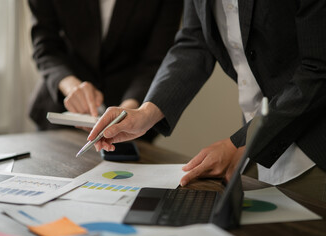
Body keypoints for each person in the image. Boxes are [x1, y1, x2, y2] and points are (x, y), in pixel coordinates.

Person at [89, 0, 326, 202]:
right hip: (254, 145)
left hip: (315, 148)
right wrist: (145, 113)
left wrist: (240, 143)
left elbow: (318, 70)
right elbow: (194, 41)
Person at [27, 0, 183, 142]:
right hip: (59, 111)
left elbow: (156, 59)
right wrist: (70, 86)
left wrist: (129, 109)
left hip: (132, 117)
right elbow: (45, 47)